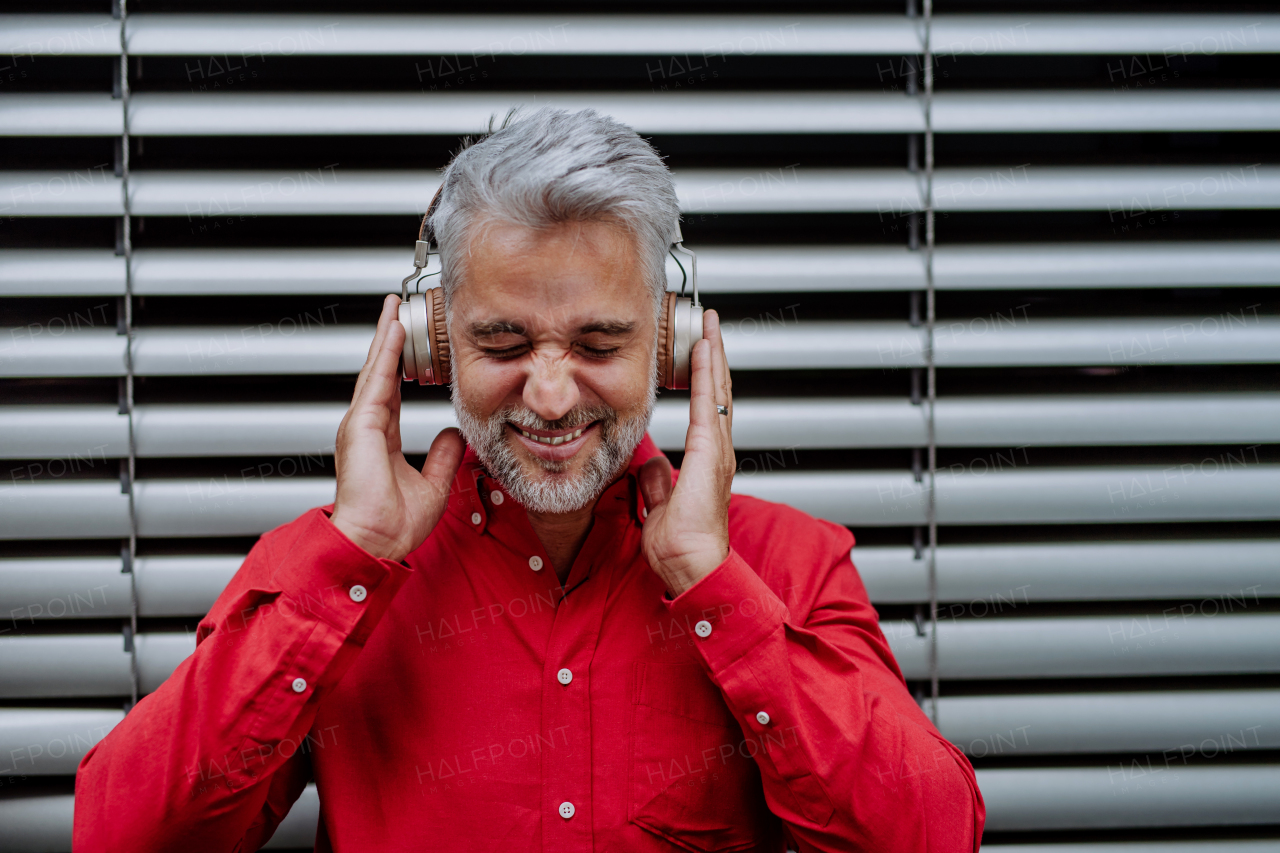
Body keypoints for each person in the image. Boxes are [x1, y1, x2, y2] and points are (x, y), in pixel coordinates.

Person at [73, 108, 983, 852]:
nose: (549, 397)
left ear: (670, 348)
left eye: (599, 344)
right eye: (502, 343)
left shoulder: (785, 564)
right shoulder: (329, 574)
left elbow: (935, 836)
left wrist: (714, 585)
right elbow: (120, 834)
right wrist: (350, 560)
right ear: (431, 349)